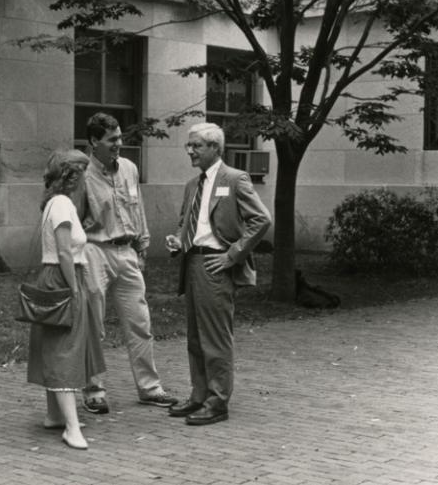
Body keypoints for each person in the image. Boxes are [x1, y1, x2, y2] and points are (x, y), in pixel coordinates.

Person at [164, 122, 271, 426]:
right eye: (189, 146)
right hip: (193, 264)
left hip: (216, 265)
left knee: (215, 338)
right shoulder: (191, 185)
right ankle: (199, 396)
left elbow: (261, 220)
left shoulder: (235, 179)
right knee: (196, 337)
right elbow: (186, 223)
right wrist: (177, 241)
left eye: (196, 146)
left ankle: (217, 401)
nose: (190, 151)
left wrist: (233, 254)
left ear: (214, 147)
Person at [76, 112, 178, 414]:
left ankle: (150, 388)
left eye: (120, 137)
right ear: (94, 142)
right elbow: (73, 217)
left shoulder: (129, 169)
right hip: (95, 250)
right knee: (94, 325)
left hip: (127, 252)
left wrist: (142, 246)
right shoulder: (81, 174)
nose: (119, 144)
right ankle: (93, 390)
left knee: (140, 322)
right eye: (112, 140)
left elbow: (139, 210)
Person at [26, 149, 106, 450]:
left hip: (58, 276)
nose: (87, 178)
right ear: (72, 176)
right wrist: (73, 289)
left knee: (55, 345)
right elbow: (63, 252)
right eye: (83, 173)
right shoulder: (61, 204)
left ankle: (55, 415)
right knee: (65, 350)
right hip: (63, 277)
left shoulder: (57, 203)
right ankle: (71, 427)